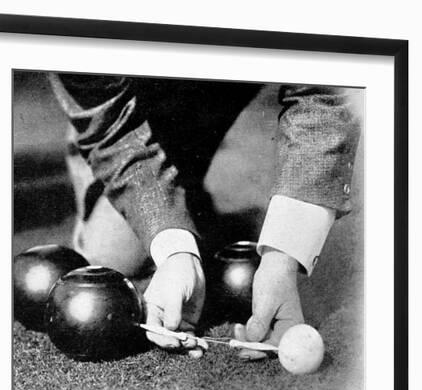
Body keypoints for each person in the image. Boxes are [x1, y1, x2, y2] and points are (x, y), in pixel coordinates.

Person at [47, 74, 361, 358]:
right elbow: (112, 129)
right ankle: (183, 193)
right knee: (115, 252)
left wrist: (283, 258)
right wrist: (174, 248)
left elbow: (326, 92)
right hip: (135, 93)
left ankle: (185, 183)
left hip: (225, 72)